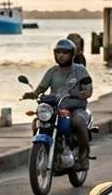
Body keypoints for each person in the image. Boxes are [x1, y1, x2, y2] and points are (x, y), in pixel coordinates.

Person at [25, 38, 92, 169]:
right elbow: (41, 88)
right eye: (58, 52)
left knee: (78, 121)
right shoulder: (52, 71)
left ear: (72, 55)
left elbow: (88, 90)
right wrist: (32, 94)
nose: (61, 56)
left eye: (65, 53)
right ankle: (46, 150)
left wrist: (78, 94)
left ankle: (84, 156)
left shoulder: (80, 70)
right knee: (38, 122)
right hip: (57, 108)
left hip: (76, 108)